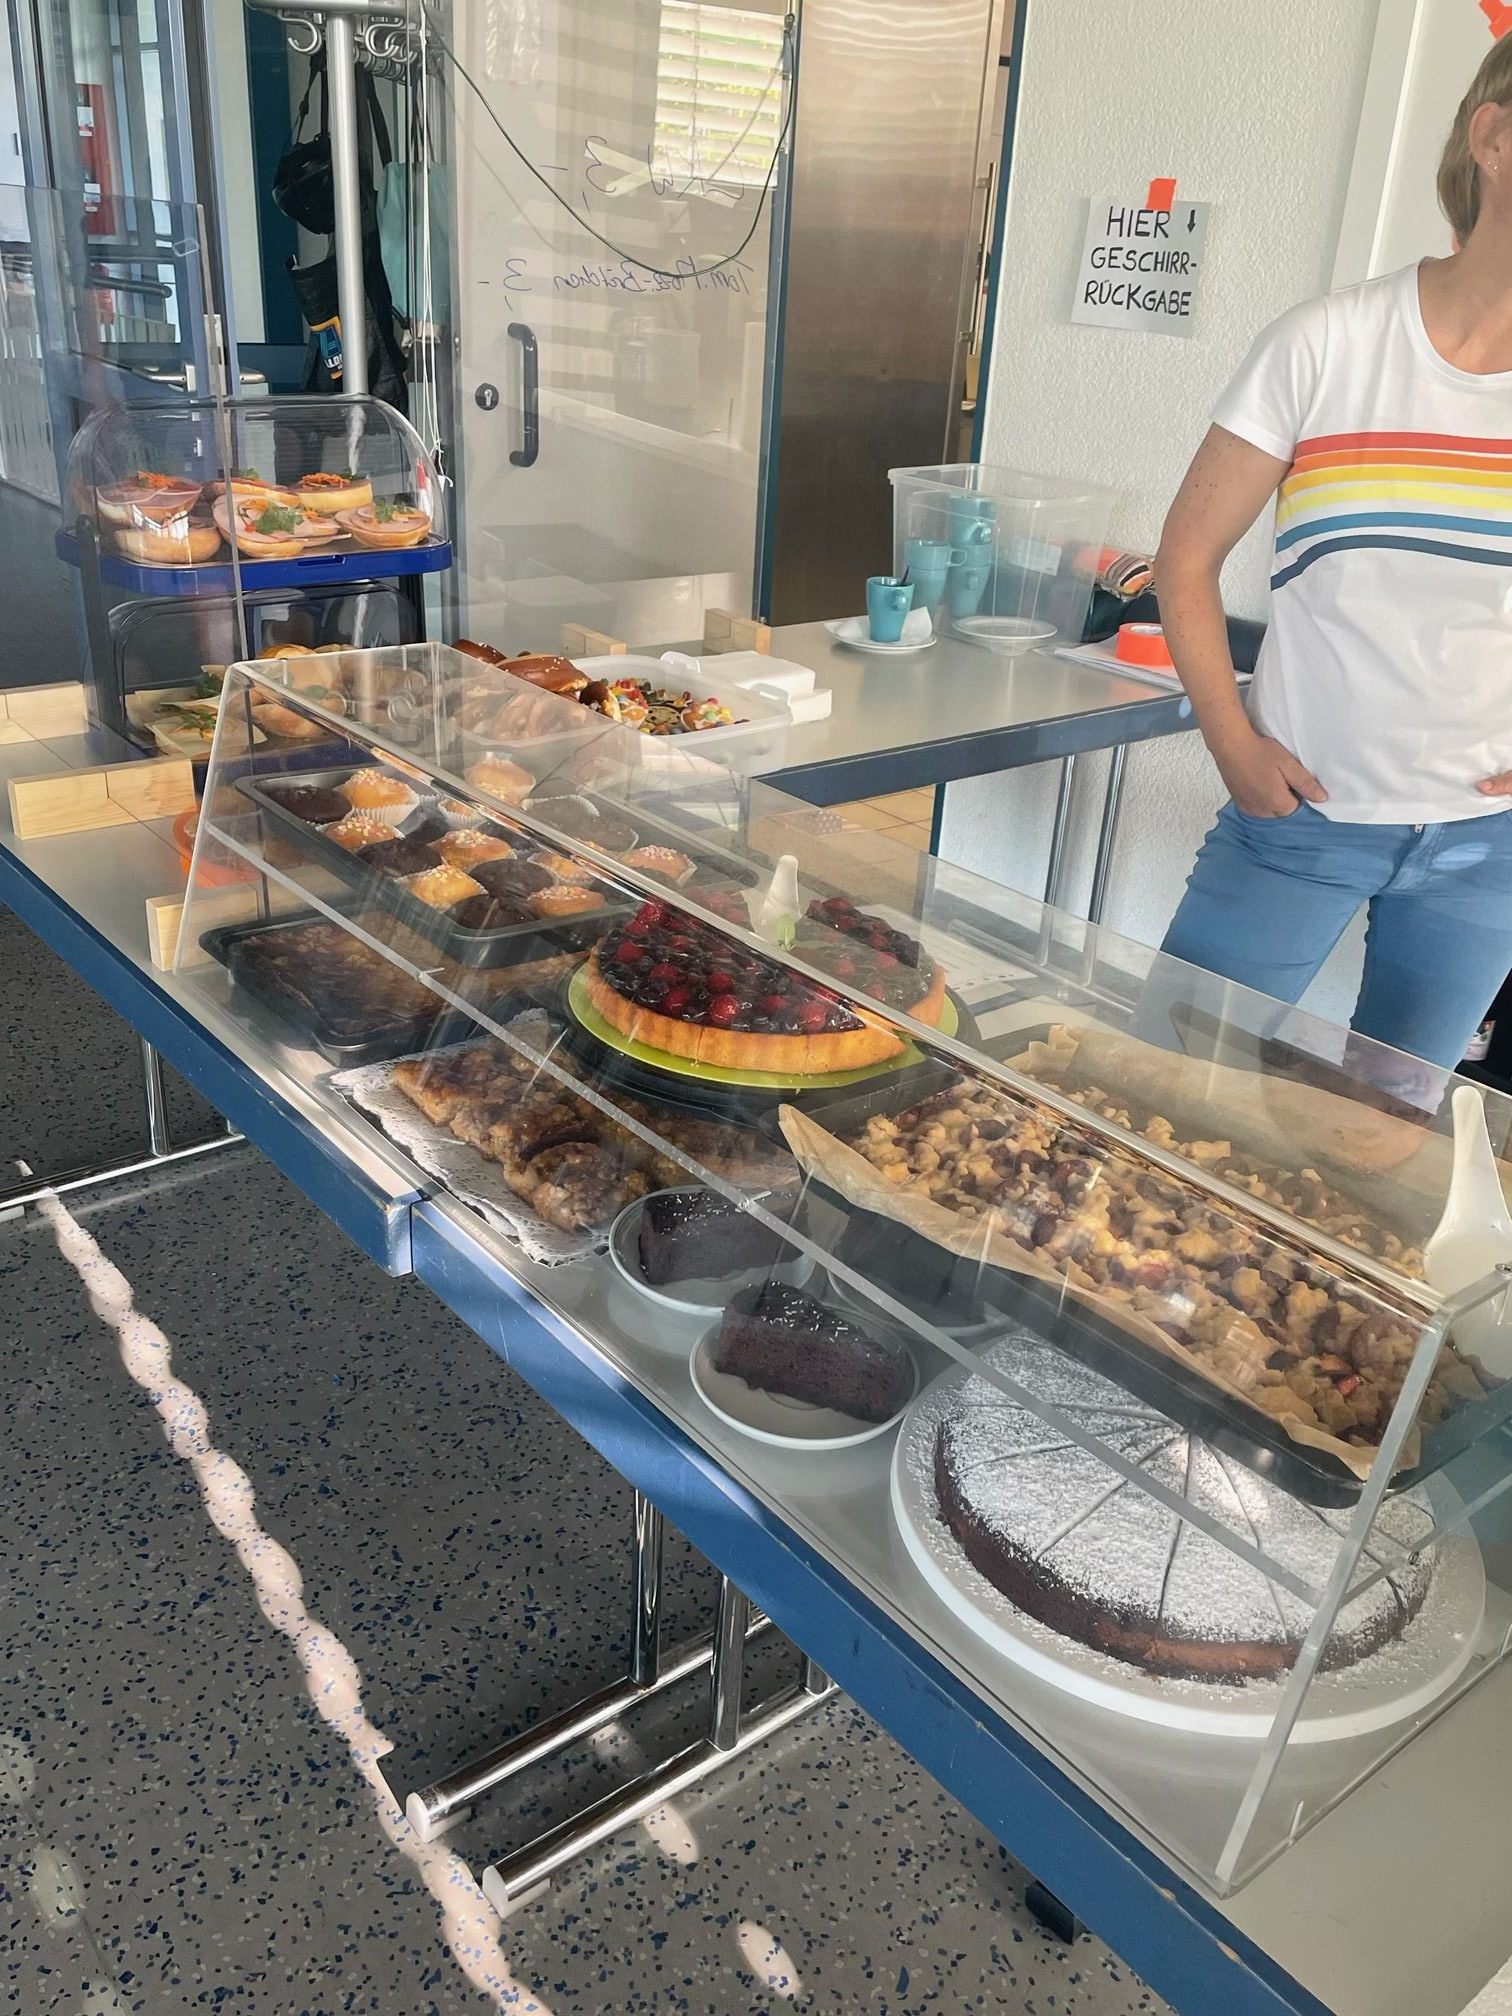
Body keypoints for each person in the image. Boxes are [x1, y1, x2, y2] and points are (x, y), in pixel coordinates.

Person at [1153, 36, 1512, 1073]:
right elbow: (1184, 558)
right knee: (1163, 1090)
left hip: (1490, 848)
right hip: (1301, 815)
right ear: (1494, 137)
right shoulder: (1327, 346)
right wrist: (1231, 741)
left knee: (1388, 1131)